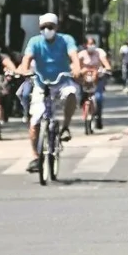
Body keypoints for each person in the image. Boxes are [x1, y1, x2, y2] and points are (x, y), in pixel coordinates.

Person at [16, 13, 81, 173]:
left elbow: (74, 56)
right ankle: (35, 157)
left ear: (56, 28)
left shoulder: (66, 40)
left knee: (72, 93)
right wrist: (24, 70)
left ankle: (65, 127)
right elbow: (27, 58)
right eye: (43, 27)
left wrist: (77, 67)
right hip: (41, 84)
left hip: (62, 81)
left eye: (50, 27)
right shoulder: (35, 42)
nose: (47, 30)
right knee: (35, 122)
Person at [78, 36, 112, 128]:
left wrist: (107, 69)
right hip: (85, 79)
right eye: (89, 44)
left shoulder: (99, 53)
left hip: (98, 79)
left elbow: (106, 64)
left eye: (93, 44)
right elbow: (75, 65)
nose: (91, 46)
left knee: (98, 98)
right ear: (85, 45)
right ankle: (84, 106)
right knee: (80, 95)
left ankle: (98, 118)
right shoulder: (81, 54)